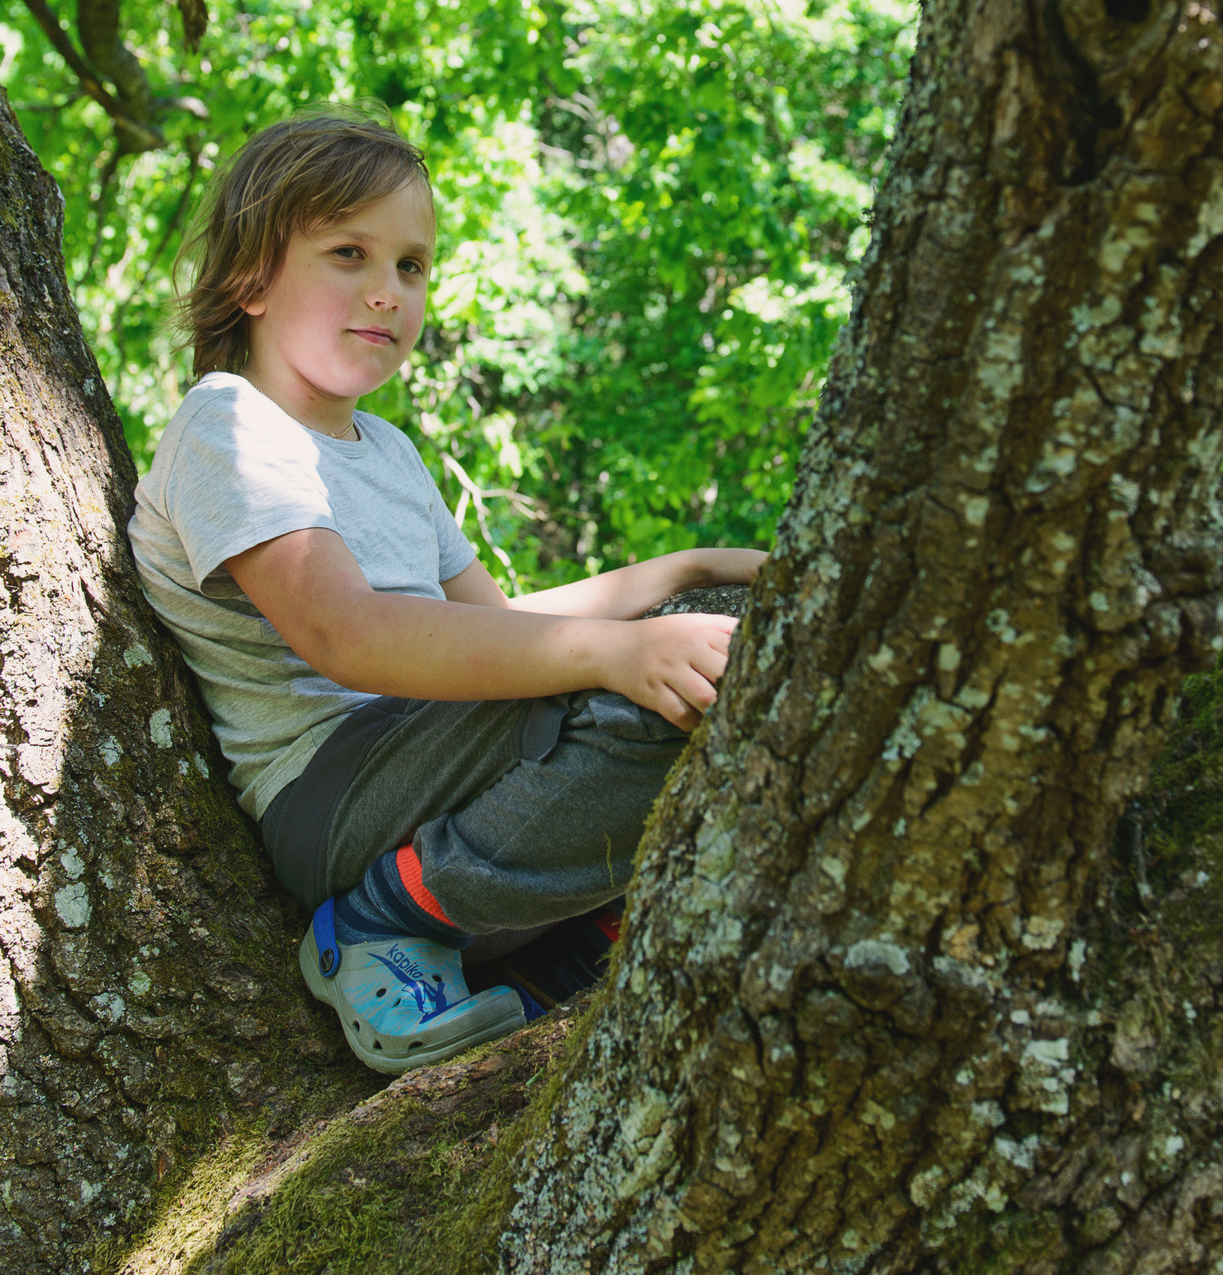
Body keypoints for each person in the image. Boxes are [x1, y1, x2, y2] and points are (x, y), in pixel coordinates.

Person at [127, 105, 764, 1075]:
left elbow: (494, 629)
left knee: (733, 644)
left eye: (411, 267)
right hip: (337, 790)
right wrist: (623, 651)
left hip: (435, 758)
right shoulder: (231, 425)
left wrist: (688, 571)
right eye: (350, 253)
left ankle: (560, 947)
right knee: (660, 687)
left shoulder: (386, 450)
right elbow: (348, 633)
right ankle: (388, 917)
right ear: (252, 276)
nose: (388, 292)